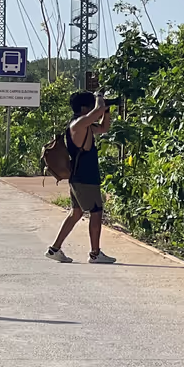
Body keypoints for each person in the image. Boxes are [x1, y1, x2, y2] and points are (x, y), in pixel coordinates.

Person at [46, 89, 116, 265]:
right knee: (96, 212)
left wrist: (106, 110)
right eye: (91, 105)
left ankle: (54, 249)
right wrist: (100, 98)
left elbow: (104, 128)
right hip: (85, 177)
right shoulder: (77, 124)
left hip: (80, 176)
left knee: (76, 213)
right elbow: (97, 112)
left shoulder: (85, 125)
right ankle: (95, 253)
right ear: (84, 108)